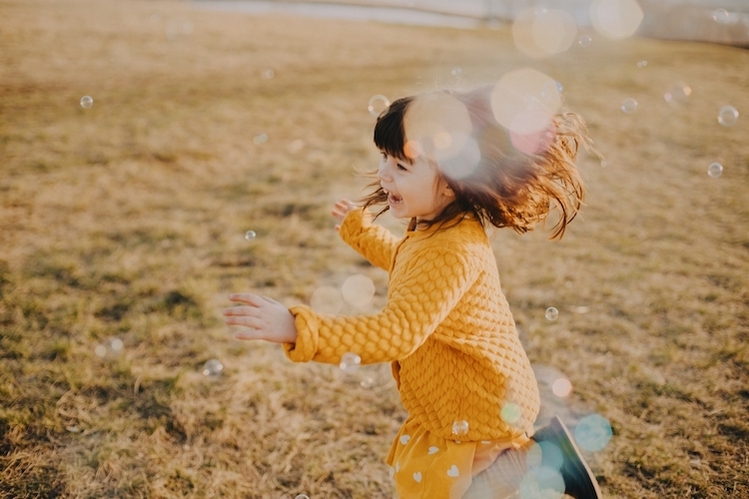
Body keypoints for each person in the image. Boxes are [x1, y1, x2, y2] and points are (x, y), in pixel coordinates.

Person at [223, 82, 601, 498]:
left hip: (478, 409)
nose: (384, 172)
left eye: (402, 166)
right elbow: (408, 264)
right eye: (385, 157)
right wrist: (361, 233)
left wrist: (299, 329)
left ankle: (540, 462)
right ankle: (540, 461)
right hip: (461, 404)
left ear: (453, 182)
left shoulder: (452, 248)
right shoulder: (436, 229)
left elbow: (397, 333)